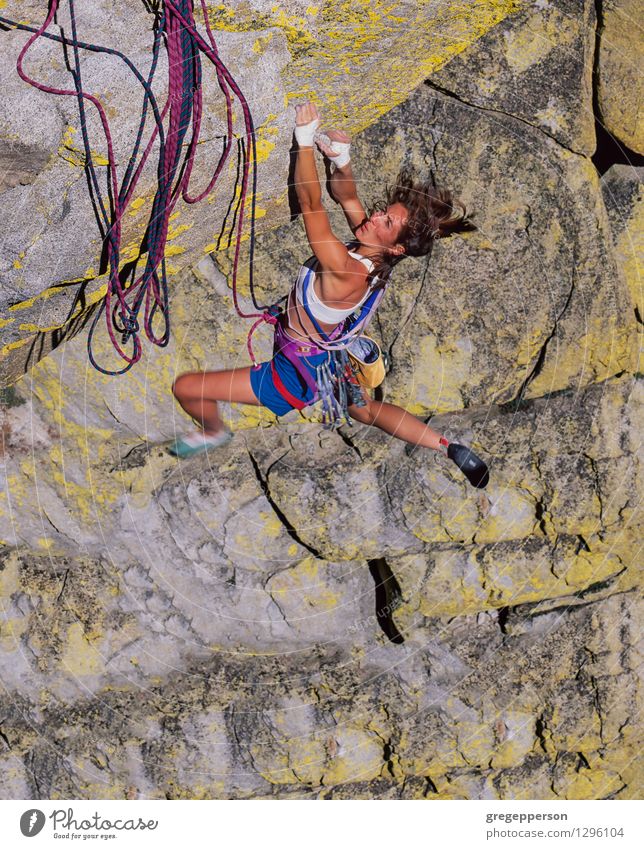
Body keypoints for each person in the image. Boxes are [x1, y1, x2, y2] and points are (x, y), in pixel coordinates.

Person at [169, 101, 489, 488]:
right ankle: (448, 446)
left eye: (386, 221)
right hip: (328, 360)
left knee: (186, 387)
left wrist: (303, 142)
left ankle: (213, 431)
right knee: (364, 410)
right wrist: (342, 162)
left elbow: (311, 203)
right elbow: (347, 198)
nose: (374, 218)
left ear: (397, 247)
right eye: (383, 211)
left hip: (290, 376)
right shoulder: (376, 257)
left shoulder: (347, 269)